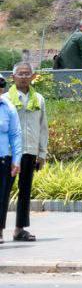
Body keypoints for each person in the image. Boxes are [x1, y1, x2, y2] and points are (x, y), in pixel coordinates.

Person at [4, 63, 48, 243]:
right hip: (9, 153)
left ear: (33, 76)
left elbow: (43, 127)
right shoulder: (5, 99)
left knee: (25, 192)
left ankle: (20, 229)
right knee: (3, 192)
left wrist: (42, 153)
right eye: (20, 74)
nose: (23, 77)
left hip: (29, 152)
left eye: (27, 74)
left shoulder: (39, 99)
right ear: (12, 77)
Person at [0, 87, 22, 245]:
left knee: (1, 197)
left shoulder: (8, 107)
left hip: (3, 160)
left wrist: (17, 160)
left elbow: (15, 135)